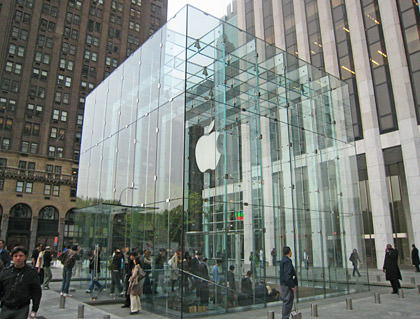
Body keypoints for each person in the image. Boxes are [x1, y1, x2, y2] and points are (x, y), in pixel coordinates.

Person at [0, 246, 42, 319]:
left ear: (25, 257)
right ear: (12, 258)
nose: (18, 258)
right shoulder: (5, 272)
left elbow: (36, 292)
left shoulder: (31, 273)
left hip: (22, 308)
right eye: (15, 256)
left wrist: (34, 309)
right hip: (6, 307)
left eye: (21, 256)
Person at [279, 246, 298, 319]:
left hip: (284, 284)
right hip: (287, 285)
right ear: (289, 252)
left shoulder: (283, 260)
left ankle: (285, 317)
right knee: (288, 301)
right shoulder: (287, 261)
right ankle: (285, 317)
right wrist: (292, 285)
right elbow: (287, 275)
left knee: (286, 301)